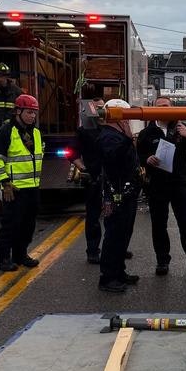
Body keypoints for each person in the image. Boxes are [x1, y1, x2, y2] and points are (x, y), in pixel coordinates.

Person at [137, 96, 186, 276]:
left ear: (172, 107)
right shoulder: (147, 133)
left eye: (167, 106)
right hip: (157, 185)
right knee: (159, 225)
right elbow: (138, 155)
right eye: (160, 106)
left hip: (179, 183)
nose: (163, 109)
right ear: (154, 109)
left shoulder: (181, 128)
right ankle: (162, 261)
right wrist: (147, 159)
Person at [0, 94, 43, 271]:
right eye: (29, 112)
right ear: (18, 112)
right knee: (11, 225)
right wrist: (4, 183)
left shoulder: (35, 132)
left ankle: (20, 255)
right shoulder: (5, 132)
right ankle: (3, 258)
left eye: (34, 113)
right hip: (14, 189)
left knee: (28, 225)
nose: (32, 116)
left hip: (32, 187)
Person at [96, 98, 142, 293]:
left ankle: (118, 271)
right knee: (115, 235)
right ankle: (108, 277)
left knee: (123, 234)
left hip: (124, 194)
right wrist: (129, 139)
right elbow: (114, 160)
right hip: (116, 195)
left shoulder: (116, 135)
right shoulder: (110, 137)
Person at [71, 97, 106, 264]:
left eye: (102, 107)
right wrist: (84, 170)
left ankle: (114, 247)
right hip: (94, 178)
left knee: (114, 216)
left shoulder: (111, 128)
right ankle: (92, 250)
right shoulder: (84, 130)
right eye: (97, 108)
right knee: (93, 217)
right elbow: (72, 154)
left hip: (111, 178)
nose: (100, 111)